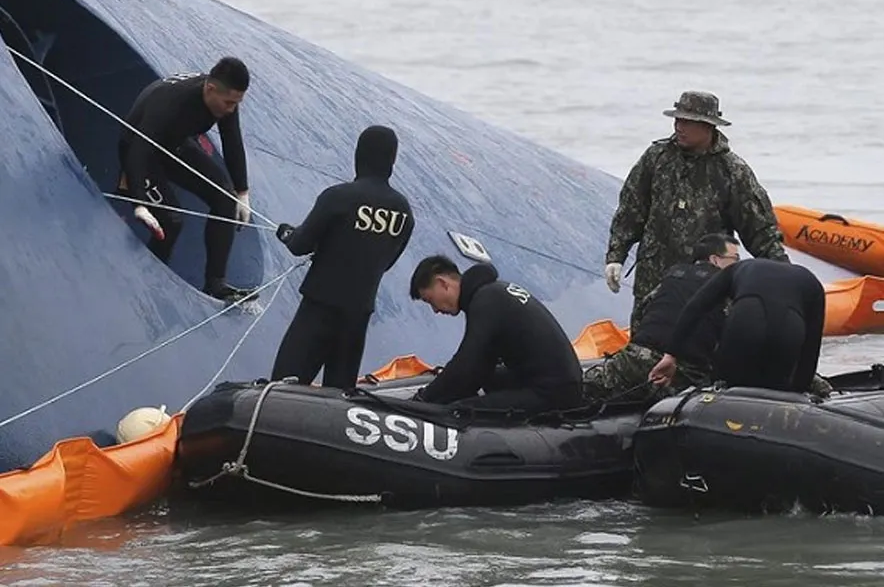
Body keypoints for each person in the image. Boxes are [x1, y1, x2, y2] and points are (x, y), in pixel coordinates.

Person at [604, 91, 789, 330]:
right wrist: (615, 257)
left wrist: (785, 274)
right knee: (645, 345)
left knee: (702, 351)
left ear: (708, 126)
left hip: (707, 284)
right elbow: (631, 210)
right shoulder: (657, 158)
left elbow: (759, 229)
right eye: (677, 120)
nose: (678, 127)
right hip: (654, 280)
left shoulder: (732, 171)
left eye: (687, 122)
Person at [271, 125, 414, 390]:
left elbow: (300, 244)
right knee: (339, 393)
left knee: (284, 385)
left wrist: (285, 233)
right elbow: (388, 261)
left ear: (358, 155)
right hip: (358, 316)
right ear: (392, 160)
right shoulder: (403, 209)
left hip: (319, 309)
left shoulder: (339, 197)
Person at [117, 57, 254, 302]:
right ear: (210, 89)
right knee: (171, 221)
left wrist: (242, 192)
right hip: (139, 149)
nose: (231, 110)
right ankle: (148, 284)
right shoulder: (172, 102)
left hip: (174, 144)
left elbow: (232, 140)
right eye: (229, 103)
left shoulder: (223, 97)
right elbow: (138, 149)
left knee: (224, 198)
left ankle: (215, 283)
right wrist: (140, 203)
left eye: (237, 103)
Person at [408, 255, 583, 413]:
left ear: (442, 283)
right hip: (559, 381)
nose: (435, 310)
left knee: (459, 412)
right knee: (487, 379)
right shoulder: (493, 292)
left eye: (430, 300)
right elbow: (479, 367)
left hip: (553, 393)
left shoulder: (485, 303)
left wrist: (421, 400)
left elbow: (466, 365)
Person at [582, 233, 738, 402]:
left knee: (580, 390)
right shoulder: (728, 289)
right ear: (715, 259)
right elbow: (732, 342)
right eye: (735, 259)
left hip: (637, 359)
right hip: (681, 375)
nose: (738, 266)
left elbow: (642, 312)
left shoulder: (673, 277)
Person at [649, 258, 825, 394]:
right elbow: (811, 348)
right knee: (776, 391)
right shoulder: (813, 283)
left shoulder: (737, 268)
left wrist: (671, 356)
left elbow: (695, 307)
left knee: (726, 388)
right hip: (790, 328)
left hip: (746, 319)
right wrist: (799, 391)